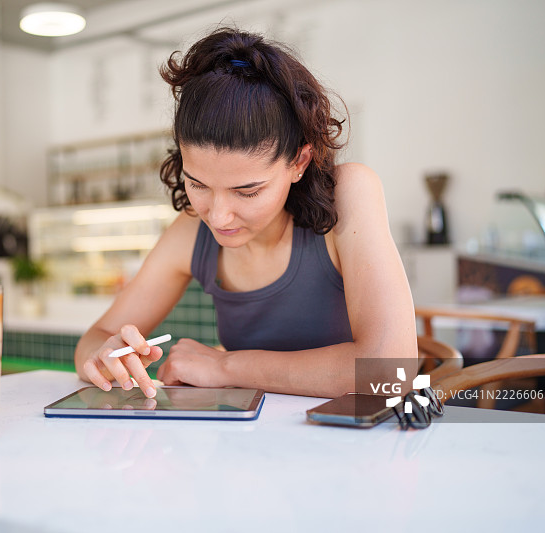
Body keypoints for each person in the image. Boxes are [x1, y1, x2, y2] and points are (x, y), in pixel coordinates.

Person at [74, 27, 417, 399]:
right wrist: (103, 354)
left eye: (247, 191)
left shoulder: (347, 193)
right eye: (198, 184)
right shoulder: (191, 230)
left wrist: (225, 366)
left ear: (299, 162)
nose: (218, 217)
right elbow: (94, 339)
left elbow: (391, 370)